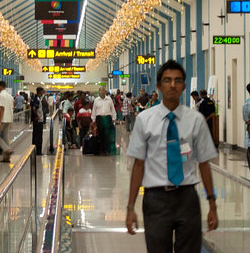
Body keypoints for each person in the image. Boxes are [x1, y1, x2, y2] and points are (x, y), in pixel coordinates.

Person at [125, 60, 218, 253]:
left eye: (177, 80)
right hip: (156, 199)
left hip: (187, 198)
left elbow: (204, 164)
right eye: (167, 80)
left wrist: (212, 204)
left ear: (184, 86)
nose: (173, 85)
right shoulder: (144, 120)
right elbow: (138, 165)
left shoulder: (196, 120)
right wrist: (130, 207)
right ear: (158, 86)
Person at [93, 87, 118, 155]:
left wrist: (113, 118)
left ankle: (108, 150)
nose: (102, 92)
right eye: (100, 90)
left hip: (107, 118)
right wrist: (93, 120)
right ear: (99, 92)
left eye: (103, 90)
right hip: (99, 118)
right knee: (101, 135)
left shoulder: (109, 99)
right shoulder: (96, 100)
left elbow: (112, 109)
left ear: (105, 91)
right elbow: (94, 110)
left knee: (107, 135)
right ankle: (102, 150)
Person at [0, 81, 15, 162]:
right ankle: (6, 158)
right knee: (5, 136)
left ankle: (7, 149)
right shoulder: (10, 96)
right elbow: (12, 108)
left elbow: (2, 109)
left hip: (3, 119)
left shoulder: (1, 95)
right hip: (9, 119)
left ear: (0, 87)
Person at [31, 87, 46, 155]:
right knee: (38, 136)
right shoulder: (37, 99)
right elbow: (34, 108)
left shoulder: (36, 98)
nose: (43, 92)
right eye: (43, 91)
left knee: (35, 135)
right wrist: (37, 116)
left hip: (37, 120)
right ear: (40, 91)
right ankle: (38, 151)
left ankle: (34, 150)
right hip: (38, 121)